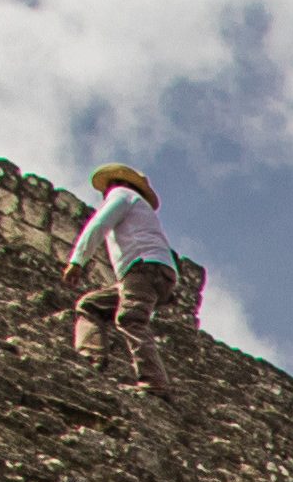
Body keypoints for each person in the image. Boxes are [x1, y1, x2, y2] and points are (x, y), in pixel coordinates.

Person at [60, 165, 204, 394]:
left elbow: (99, 224)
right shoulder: (140, 205)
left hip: (143, 269)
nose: (105, 194)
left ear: (120, 184)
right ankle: (90, 357)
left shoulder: (122, 195)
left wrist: (77, 261)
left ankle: (154, 382)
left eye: (107, 187)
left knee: (131, 318)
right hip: (158, 274)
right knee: (91, 305)